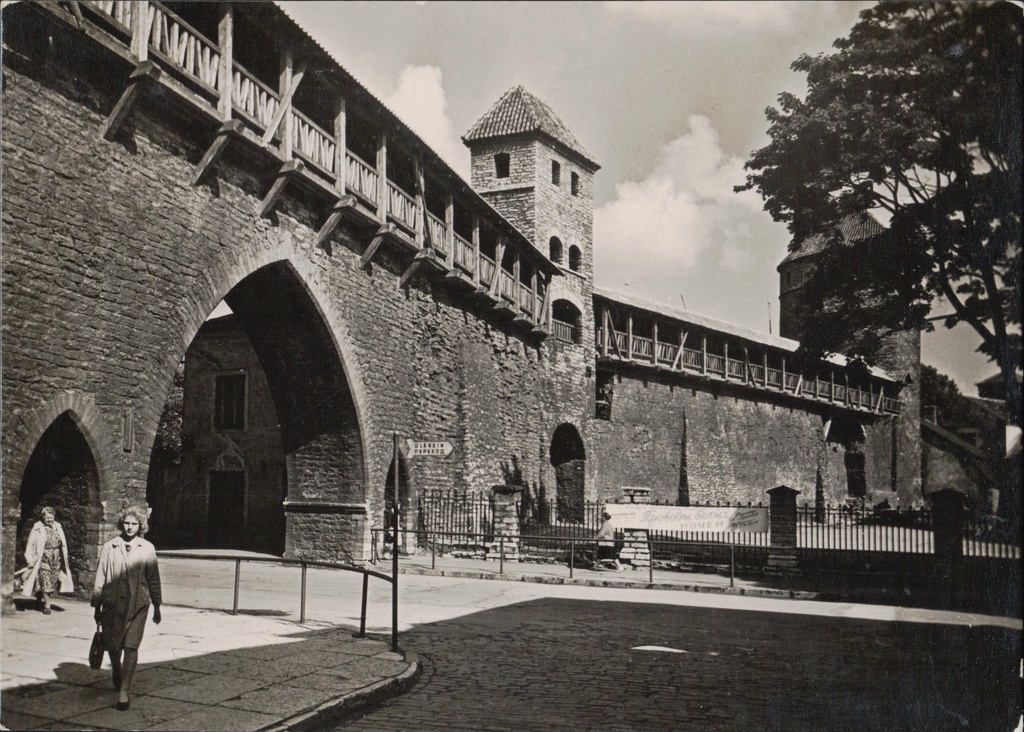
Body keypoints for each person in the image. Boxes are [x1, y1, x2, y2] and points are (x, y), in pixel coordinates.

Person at [91, 506, 162, 711]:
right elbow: (100, 577)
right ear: (121, 524)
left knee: (131, 646)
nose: (130, 527)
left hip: (138, 604)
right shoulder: (109, 547)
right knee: (113, 645)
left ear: (141, 526)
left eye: (134, 524)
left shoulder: (147, 548)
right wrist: (97, 604)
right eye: (127, 523)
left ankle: (124, 691)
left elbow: (153, 579)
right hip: (112, 604)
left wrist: (157, 606)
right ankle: (116, 668)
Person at [22, 506, 74, 613]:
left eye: (51, 517)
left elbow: (62, 543)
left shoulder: (58, 526)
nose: (50, 520)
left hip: (56, 558)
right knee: (45, 580)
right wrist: (29, 558)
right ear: (43, 517)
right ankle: (47, 605)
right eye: (47, 518)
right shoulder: (37, 528)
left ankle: (39, 597)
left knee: (53, 581)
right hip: (43, 557)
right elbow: (30, 544)